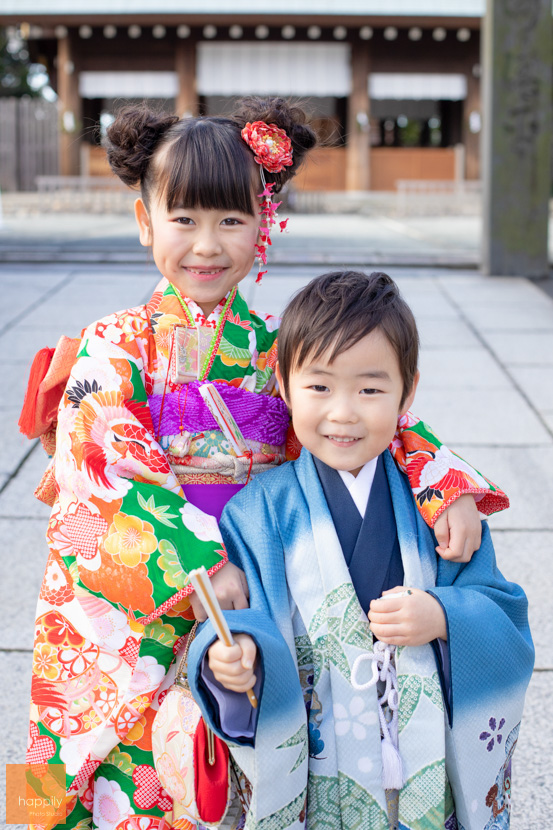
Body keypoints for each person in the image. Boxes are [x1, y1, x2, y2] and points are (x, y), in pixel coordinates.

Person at [24, 96, 507, 830]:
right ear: (143, 220)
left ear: (266, 221)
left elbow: (366, 416)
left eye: (231, 220)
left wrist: (445, 483)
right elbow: (99, 474)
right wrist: (200, 566)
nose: (206, 245)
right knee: (116, 766)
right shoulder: (112, 343)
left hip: (261, 577)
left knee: (240, 772)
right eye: (182, 219)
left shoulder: (280, 348)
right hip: (134, 600)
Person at [188, 271, 534, 830]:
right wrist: (232, 657)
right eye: (319, 387)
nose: (343, 412)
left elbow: (499, 609)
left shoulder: (438, 501)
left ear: (408, 391)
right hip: (318, 762)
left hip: (423, 761)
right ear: (283, 382)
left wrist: (445, 616)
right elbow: (240, 618)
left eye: (370, 389)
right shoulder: (258, 511)